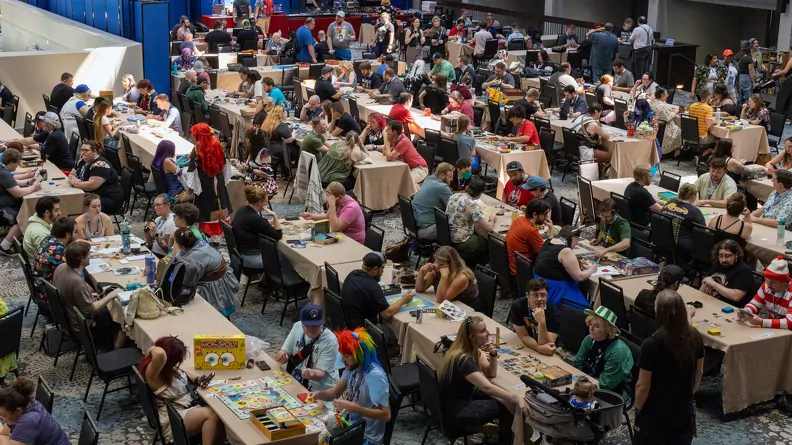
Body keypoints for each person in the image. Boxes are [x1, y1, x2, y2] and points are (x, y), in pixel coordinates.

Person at [438, 316, 526, 445]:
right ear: (471, 337)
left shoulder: (472, 350)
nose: (488, 333)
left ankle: (495, 433)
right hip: (458, 412)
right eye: (483, 331)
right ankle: (504, 441)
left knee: (503, 399)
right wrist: (516, 398)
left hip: (461, 401)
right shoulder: (463, 360)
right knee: (508, 405)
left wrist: (493, 354)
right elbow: (487, 387)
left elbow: (491, 373)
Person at [635, 290, 704, 444]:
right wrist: (689, 395)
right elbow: (699, 371)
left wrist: (638, 408)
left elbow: (642, 386)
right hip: (683, 412)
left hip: (656, 414)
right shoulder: (695, 336)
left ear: (658, 312)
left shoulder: (651, 345)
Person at [309, 328, 390, 445]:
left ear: (359, 355)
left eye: (346, 356)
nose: (343, 360)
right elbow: (335, 392)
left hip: (367, 437)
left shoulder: (375, 377)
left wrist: (355, 408)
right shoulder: (352, 367)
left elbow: (386, 415)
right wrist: (318, 394)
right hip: (350, 425)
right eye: (342, 355)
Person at [139, 337, 225, 445]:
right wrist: (152, 348)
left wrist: (197, 380)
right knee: (212, 414)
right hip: (174, 418)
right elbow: (160, 354)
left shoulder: (167, 369)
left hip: (185, 408)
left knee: (220, 413)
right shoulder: (153, 374)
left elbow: (182, 373)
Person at [53, 242, 125, 349]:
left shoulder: (61, 267)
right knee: (118, 312)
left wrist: (96, 295)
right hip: (82, 325)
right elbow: (90, 312)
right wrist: (111, 295)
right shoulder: (77, 282)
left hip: (69, 316)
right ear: (81, 259)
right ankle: (116, 347)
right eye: (88, 254)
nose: (90, 256)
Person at [572, 306, 634, 401]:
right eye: (591, 324)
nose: (591, 328)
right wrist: (575, 382)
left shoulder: (618, 351)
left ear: (607, 330)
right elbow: (577, 363)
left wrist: (581, 388)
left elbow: (606, 383)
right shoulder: (589, 339)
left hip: (612, 393)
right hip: (589, 382)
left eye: (596, 326)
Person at [173, 227, 239, 316]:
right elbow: (179, 257)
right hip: (223, 281)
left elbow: (187, 279)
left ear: (180, 245)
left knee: (181, 300)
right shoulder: (199, 243)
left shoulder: (195, 257)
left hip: (214, 290)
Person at [274, 304, 341, 391]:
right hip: (296, 380)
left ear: (322, 324)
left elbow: (320, 374)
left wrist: (310, 373)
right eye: (307, 326)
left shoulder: (330, 340)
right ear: (301, 323)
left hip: (320, 389)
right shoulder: (297, 327)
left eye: (315, 326)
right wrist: (282, 357)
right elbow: (286, 353)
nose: (311, 329)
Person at [182, 124, 232, 239]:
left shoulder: (196, 150)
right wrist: (222, 181)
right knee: (220, 203)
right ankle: (219, 235)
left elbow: (192, 172)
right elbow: (226, 167)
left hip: (204, 185)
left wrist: (192, 188)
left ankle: (208, 235)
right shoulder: (219, 146)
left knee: (206, 208)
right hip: (218, 183)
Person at [0, 378, 70, 445]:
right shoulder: (25, 403)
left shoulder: (28, 421)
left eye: (3, 415)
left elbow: (3, 436)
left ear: (17, 410)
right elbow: (3, 434)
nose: (2, 418)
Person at [0, 149, 41, 255]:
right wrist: (34, 188)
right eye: (17, 163)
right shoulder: (4, 173)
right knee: (22, 219)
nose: (17, 166)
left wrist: (27, 182)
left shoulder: (2, 170)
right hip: (2, 209)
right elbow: (18, 193)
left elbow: (12, 183)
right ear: (11, 163)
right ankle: (4, 247)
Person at [230, 185, 282, 268]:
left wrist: (269, 222)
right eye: (265, 202)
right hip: (251, 257)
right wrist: (274, 215)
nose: (266, 204)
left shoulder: (243, 209)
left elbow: (252, 225)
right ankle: (277, 275)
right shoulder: (257, 219)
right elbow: (278, 235)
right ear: (259, 202)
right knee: (286, 258)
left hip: (239, 253)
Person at [32, 217, 80, 305]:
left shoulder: (48, 239)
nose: (77, 235)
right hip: (49, 296)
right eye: (76, 232)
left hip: (40, 287)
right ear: (68, 235)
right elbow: (74, 272)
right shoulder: (58, 250)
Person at [446, 177, 494, 266]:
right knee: (490, 243)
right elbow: (489, 228)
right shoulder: (472, 204)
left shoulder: (454, 196)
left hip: (448, 237)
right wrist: (493, 219)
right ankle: (478, 267)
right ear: (480, 194)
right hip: (461, 241)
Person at [416, 246, 481, 310]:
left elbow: (441, 300)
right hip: (450, 305)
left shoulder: (462, 277)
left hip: (466, 308)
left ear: (452, 264)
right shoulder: (436, 270)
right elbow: (420, 289)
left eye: (441, 264)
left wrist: (444, 277)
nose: (437, 266)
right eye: (436, 262)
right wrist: (421, 271)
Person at [68, 141, 124, 214]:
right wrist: (74, 179)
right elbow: (71, 175)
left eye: (86, 150)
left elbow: (91, 186)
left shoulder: (100, 165)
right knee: (72, 201)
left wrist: (74, 184)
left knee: (76, 204)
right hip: (92, 195)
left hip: (108, 198)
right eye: (82, 150)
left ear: (94, 151)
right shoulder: (82, 160)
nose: (83, 153)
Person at [301, 182, 366, 244]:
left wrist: (332, 206)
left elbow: (335, 228)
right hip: (340, 236)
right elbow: (327, 216)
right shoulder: (340, 201)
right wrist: (312, 216)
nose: (328, 200)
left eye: (330, 199)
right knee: (312, 239)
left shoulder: (351, 208)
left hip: (353, 242)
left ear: (339, 197)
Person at [699, 240, 758, 307]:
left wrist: (713, 283)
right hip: (710, 302)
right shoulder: (717, 264)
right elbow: (706, 282)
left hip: (728, 308)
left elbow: (735, 297)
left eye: (727, 256)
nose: (723, 260)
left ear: (736, 255)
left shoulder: (744, 270)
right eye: (721, 256)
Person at [510, 277, 560, 355]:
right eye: (535, 295)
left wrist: (541, 322)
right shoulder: (517, 306)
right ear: (527, 295)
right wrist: (538, 348)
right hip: (530, 346)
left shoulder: (554, 313)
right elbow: (524, 336)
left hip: (552, 351)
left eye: (543, 295)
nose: (540, 299)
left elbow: (547, 345)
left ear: (547, 296)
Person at [506, 199, 551, 283]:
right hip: (523, 274)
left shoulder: (519, 219)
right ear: (535, 215)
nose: (546, 217)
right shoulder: (531, 230)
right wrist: (552, 231)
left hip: (513, 268)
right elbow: (545, 253)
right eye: (544, 214)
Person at [660, 183, 705, 262]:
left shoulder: (669, 203)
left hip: (663, 241)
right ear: (693, 196)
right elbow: (703, 232)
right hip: (682, 246)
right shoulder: (694, 212)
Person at [412, 162, 454, 240]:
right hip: (427, 230)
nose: (452, 179)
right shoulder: (443, 187)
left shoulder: (428, 179)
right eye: (450, 177)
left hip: (414, 226)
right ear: (442, 175)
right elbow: (454, 208)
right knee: (458, 229)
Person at [22, 196, 61, 261]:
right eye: (56, 210)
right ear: (47, 213)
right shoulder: (41, 234)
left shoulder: (38, 219)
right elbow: (48, 258)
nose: (60, 213)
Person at [649, 87, 683, 156]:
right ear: (662, 95)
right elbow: (668, 118)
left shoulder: (651, 102)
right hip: (665, 127)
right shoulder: (662, 106)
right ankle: (676, 153)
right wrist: (675, 112)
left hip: (653, 124)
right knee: (680, 131)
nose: (667, 96)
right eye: (666, 94)